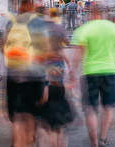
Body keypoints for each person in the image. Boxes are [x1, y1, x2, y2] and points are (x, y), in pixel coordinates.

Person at [71, 3, 115, 147]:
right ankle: (103, 137)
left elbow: (78, 54)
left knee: (90, 108)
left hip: (90, 72)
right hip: (110, 71)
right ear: (105, 13)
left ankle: (94, 143)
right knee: (108, 107)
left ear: (91, 13)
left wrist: (72, 73)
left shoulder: (84, 29)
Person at [4, 0, 49, 147]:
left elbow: (3, 47)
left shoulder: (10, 23)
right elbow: (46, 48)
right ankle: (28, 142)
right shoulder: (38, 22)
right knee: (30, 115)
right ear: (32, 9)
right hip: (33, 76)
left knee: (17, 116)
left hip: (13, 75)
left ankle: (16, 144)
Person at [39, 8, 74, 147]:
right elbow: (66, 44)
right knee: (57, 88)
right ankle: (57, 116)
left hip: (45, 65)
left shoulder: (39, 29)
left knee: (45, 89)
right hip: (58, 66)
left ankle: (48, 115)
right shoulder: (58, 28)